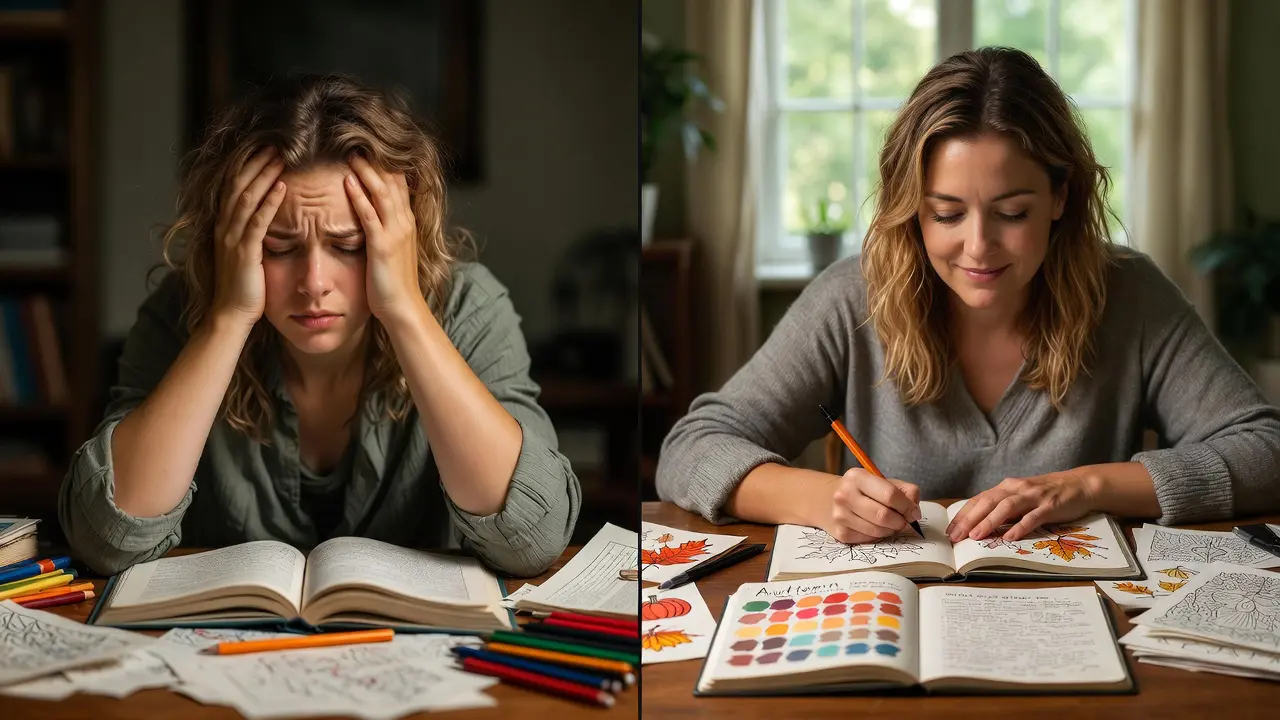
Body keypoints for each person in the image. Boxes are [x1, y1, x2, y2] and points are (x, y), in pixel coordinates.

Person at [657, 47, 1280, 545]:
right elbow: (690, 448)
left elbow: (1265, 450)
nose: (978, 247)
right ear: (913, 208)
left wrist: (1085, 487)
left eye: (1012, 212)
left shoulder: (1130, 294)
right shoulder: (854, 296)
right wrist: (821, 498)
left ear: (1060, 198)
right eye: (947, 214)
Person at [59, 74, 581, 577]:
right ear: (231, 242)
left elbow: (532, 540)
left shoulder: (467, 306)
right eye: (278, 247)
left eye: (349, 246)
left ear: (402, 235)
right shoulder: (181, 311)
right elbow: (105, 539)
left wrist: (404, 308)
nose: (313, 283)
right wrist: (228, 319)